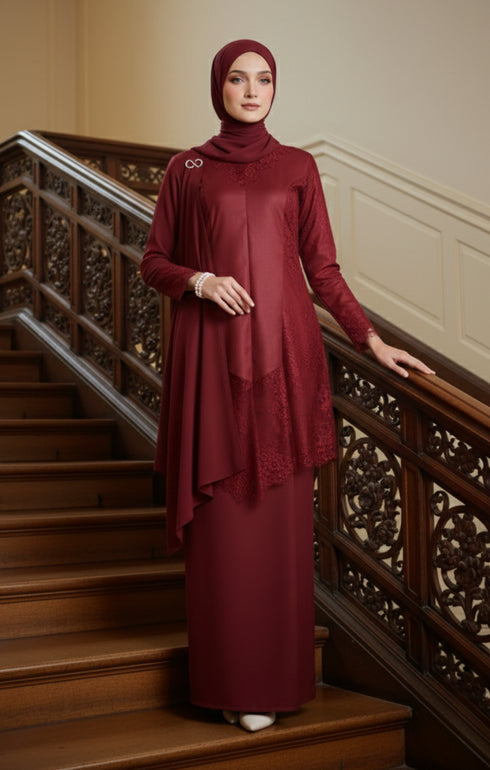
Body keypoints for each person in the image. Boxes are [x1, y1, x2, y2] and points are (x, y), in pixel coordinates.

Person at [141, 39, 434, 733]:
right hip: (212, 367)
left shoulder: (298, 167)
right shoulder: (185, 169)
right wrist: (200, 281)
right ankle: (227, 682)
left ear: (276, 88)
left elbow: (322, 269)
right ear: (218, 86)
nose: (251, 89)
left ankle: (272, 682)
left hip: (284, 367)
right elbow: (154, 259)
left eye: (263, 78)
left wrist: (370, 338)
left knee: (275, 532)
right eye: (237, 78)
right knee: (223, 536)